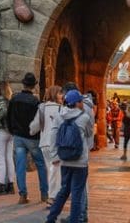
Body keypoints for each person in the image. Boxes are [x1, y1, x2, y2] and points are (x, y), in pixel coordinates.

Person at [45, 90, 93, 223]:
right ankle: (74, 220)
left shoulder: (59, 116)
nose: (82, 103)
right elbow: (89, 135)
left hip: (65, 160)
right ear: (77, 103)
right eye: (81, 101)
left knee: (63, 191)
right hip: (80, 161)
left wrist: (54, 156)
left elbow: (53, 136)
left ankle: (51, 218)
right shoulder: (84, 117)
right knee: (77, 194)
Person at [7, 72, 48, 204]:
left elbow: (9, 117)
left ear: (23, 84)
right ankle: (44, 194)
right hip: (32, 137)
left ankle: (23, 195)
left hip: (18, 136)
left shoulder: (14, 99)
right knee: (41, 164)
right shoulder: (35, 101)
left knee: (20, 165)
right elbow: (39, 120)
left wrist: (12, 130)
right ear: (34, 86)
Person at [34, 85, 63, 203]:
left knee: (51, 169)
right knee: (55, 170)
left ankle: (53, 194)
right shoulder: (61, 109)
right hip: (55, 143)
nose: (62, 96)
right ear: (55, 94)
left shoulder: (42, 107)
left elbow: (37, 125)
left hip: (44, 142)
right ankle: (53, 196)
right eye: (60, 93)